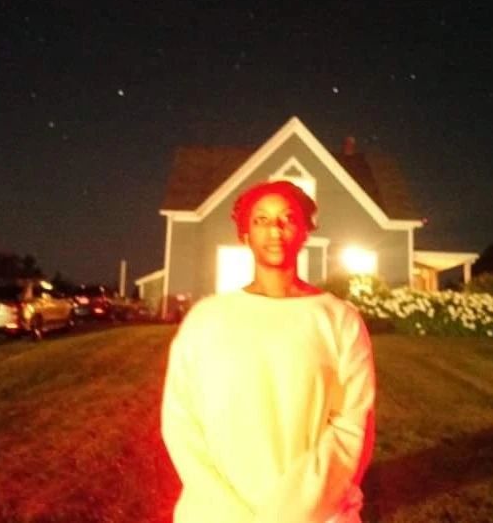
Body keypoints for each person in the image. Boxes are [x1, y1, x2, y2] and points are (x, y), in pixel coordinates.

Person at [161, 180, 376, 523]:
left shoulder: (339, 319)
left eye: (287, 218)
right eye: (261, 220)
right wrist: (227, 512)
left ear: (304, 232)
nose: (275, 229)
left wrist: (293, 511)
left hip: (316, 516)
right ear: (245, 236)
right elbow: (181, 420)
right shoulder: (205, 319)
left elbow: (353, 424)